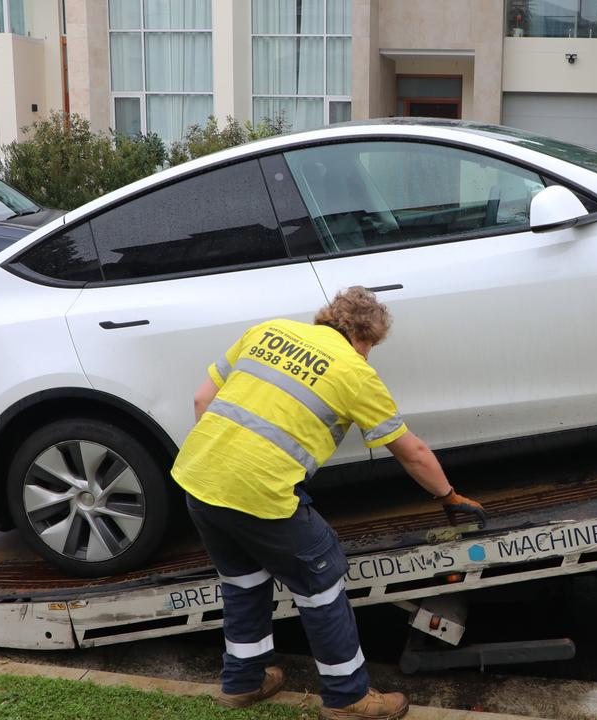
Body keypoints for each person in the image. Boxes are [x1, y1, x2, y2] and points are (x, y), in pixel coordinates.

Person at [172, 286, 488, 720]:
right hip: (260, 493)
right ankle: (347, 697)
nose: (368, 355)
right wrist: (448, 495)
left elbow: (201, 400)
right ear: (364, 337)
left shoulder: (268, 330)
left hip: (198, 480)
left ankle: (242, 683)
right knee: (321, 578)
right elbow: (410, 451)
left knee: (243, 582)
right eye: (371, 347)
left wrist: (223, 464)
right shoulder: (354, 372)